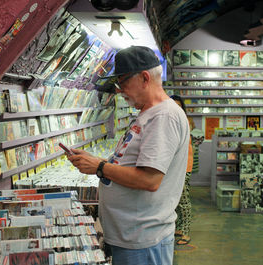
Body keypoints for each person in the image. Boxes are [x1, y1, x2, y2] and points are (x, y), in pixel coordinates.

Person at [66, 46, 190, 265]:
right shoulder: (149, 113)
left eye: (123, 82)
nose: (119, 90)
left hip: (143, 239)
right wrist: (94, 162)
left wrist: (100, 166)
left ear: (144, 78)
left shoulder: (164, 117)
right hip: (132, 236)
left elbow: (149, 180)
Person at [170, 95, 194, 245]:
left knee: (184, 201)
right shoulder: (175, 121)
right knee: (177, 200)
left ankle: (186, 233)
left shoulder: (183, 122)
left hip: (183, 167)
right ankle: (179, 228)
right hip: (178, 167)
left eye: (178, 106)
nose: (175, 109)